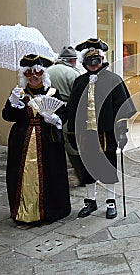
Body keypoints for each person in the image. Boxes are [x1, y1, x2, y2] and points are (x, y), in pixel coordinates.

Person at [67, 38, 136, 219]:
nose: (93, 65)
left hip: (106, 133)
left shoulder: (113, 79)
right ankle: (90, 200)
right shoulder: (79, 82)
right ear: (84, 62)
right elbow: (72, 108)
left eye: (96, 61)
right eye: (89, 62)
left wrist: (122, 131)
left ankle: (110, 200)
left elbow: (123, 108)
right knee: (87, 166)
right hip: (85, 134)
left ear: (102, 60)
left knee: (108, 166)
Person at [2, 54, 71, 224]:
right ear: (24, 75)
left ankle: (50, 210)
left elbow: (64, 115)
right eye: (29, 73)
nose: (33, 77)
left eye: (38, 72)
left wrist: (55, 119)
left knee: (51, 173)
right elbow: (7, 116)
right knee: (20, 174)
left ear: (43, 73)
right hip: (21, 141)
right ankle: (24, 210)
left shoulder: (53, 93)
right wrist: (12, 103)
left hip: (48, 142)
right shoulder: (18, 94)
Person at [47, 46, 86, 186]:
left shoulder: (48, 71)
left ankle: (55, 177)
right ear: (72, 60)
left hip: (49, 112)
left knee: (54, 146)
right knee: (73, 147)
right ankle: (82, 177)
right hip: (69, 112)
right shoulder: (73, 73)